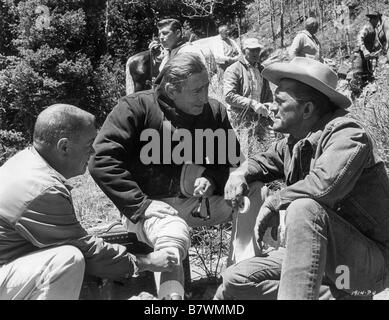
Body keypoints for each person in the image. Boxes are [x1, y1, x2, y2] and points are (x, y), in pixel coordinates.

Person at [89, 53, 268, 300]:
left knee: (254, 190)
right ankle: (170, 299)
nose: (205, 97)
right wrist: (141, 204)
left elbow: (234, 164)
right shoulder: (135, 108)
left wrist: (213, 179)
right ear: (172, 89)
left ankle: (238, 282)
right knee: (173, 233)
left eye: (206, 87)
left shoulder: (213, 112)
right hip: (151, 210)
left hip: (199, 203)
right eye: (197, 91)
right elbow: (101, 160)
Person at [215, 57, 389, 300]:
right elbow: (261, 162)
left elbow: (323, 186)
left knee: (304, 208)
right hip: (320, 256)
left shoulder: (348, 134)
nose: (272, 107)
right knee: (235, 281)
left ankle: (342, 292)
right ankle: (335, 295)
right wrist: (239, 173)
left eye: (279, 101)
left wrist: (275, 202)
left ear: (307, 109)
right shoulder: (294, 142)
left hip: (366, 264)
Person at [0, 104, 178, 300]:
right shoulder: (41, 189)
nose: (93, 152)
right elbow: (87, 250)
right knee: (66, 260)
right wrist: (145, 261)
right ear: (64, 147)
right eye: (89, 144)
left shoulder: (27, 162)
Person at [223, 38, 273, 154]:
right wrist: (252, 103)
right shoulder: (234, 69)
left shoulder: (261, 69)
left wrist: (269, 104)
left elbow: (268, 92)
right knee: (245, 151)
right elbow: (229, 96)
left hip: (260, 118)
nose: (256, 53)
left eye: (257, 50)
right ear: (244, 51)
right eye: (252, 50)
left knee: (263, 151)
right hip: (242, 119)